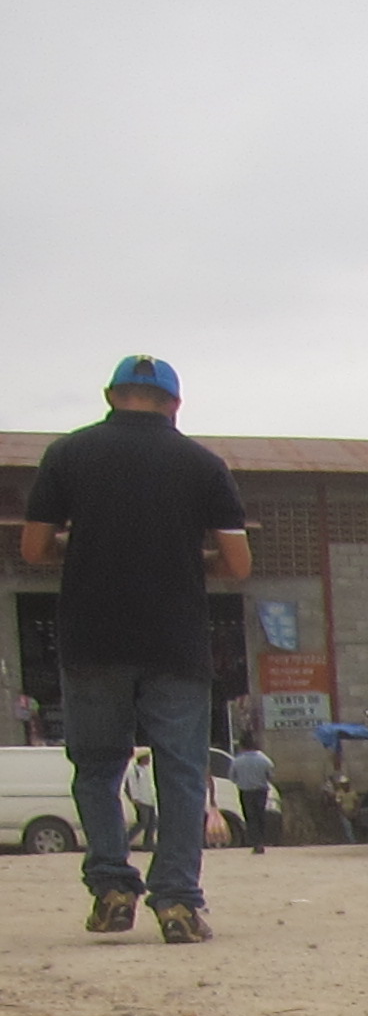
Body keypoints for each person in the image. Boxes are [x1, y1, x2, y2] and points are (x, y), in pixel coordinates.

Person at [17, 356, 249, 941]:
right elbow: (239, 565)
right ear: (174, 404)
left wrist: (91, 547)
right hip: (175, 641)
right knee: (180, 772)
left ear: (111, 396)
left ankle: (113, 888)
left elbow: (34, 549)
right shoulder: (203, 464)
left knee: (98, 769)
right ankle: (176, 902)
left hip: (92, 639)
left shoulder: (67, 454)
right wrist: (183, 556)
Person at [228, 733, 274, 851]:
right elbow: (270, 776)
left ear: (242, 746)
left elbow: (232, 778)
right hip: (261, 791)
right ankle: (261, 841)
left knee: (250, 817)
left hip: (245, 792)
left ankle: (255, 842)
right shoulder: (264, 759)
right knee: (260, 815)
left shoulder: (237, 761)